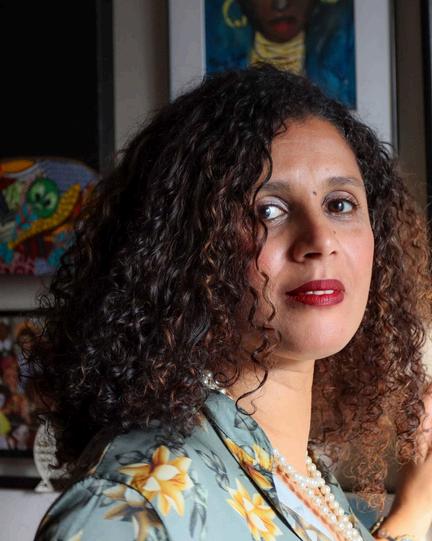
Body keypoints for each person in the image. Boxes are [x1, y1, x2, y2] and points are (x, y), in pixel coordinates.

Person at [31, 65, 432, 541]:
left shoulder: (299, 477)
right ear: (182, 250)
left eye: (339, 204)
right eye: (269, 210)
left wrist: (414, 510)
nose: (321, 239)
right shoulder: (129, 508)